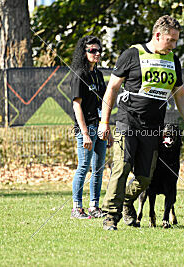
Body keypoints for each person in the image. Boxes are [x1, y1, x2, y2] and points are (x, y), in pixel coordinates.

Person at [98, 15, 184, 230]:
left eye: (176, 41)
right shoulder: (132, 54)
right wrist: (104, 122)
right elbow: (112, 88)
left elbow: (180, 95)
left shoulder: (173, 60)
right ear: (157, 35)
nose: (174, 45)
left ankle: (127, 201)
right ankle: (111, 215)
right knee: (122, 167)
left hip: (154, 128)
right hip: (128, 121)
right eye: (170, 40)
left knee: (145, 179)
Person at [70, 35, 113, 219]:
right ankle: (76, 208)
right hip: (86, 128)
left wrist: (107, 127)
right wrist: (85, 133)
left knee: (98, 168)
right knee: (83, 166)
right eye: (92, 50)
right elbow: (76, 105)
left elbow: (104, 102)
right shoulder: (80, 74)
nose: (96, 53)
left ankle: (94, 206)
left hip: (99, 126)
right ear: (84, 52)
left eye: (98, 50)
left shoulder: (98, 74)